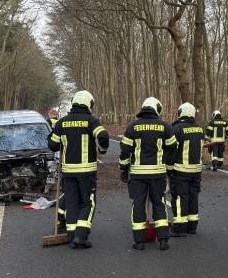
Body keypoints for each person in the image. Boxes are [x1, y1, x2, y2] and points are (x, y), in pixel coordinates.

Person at [47, 91, 109, 249]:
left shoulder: (62, 122)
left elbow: (52, 145)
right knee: (88, 203)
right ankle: (81, 236)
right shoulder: (91, 121)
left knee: (72, 202)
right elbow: (103, 136)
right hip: (87, 172)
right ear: (89, 104)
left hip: (68, 172)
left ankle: (71, 235)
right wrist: (102, 149)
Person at [119, 97, 177, 250]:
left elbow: (125, 151)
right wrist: (168, 167)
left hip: (137, 175)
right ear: (157, 109)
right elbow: (173, 147)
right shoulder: (165, 126)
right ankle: (163, 239)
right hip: (158, 174)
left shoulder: (132, 127)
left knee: (138, 204)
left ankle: (139, 241)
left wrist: (123, 170)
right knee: (159, 203)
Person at [166, 102, 204, 236]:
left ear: (180, 112)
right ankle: (192, 226)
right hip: (196, 171)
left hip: (180, 171)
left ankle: (180, 228)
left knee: (180, 198)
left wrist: (169, 169)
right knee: (193, 197)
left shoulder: (177, 129)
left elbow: (171, 151)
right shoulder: (200, 129)